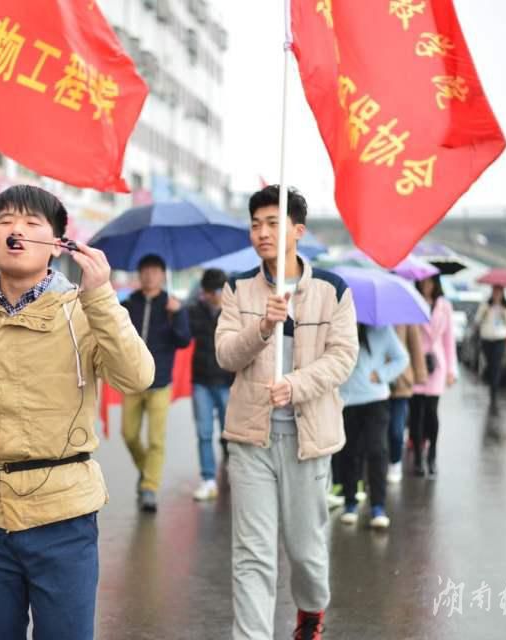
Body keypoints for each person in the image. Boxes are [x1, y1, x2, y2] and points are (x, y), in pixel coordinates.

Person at [0, 185, 154, 640]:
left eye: (31, 223)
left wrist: (102, 297)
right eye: (5, 221)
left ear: (57, 244)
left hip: (63, 518)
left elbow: (137, 377)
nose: (16, 230)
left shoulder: (84, 312)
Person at [216, 185, 358, 640]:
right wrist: (262, 326)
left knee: (305, 550)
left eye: (273, 224)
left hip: (308, 441)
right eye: (256, 224)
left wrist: (295, 385)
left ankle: (311, 610)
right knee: (252, 554)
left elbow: (342, 358)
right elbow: (225, 355)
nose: (262, 232)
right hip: (250, 440)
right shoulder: (237, 288)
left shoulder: (332, 290)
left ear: (298, 231)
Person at [120, 253, 191, 512]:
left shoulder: (172, 305)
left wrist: (177, 314)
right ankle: (146, 469)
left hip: (160, 382)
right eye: (146, 271)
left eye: (155, 271)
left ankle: (150, 487)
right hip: (132, 381)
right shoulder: (129, 304)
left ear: (162, 275)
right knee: (129, 434)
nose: (150, 275)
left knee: (156, 440)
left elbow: (183, 340)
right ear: (140, 275)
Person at [338, 324, 408, 529]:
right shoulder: (341, 326)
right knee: (349, 451)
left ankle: (378, 506)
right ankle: (350, 502)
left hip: (376, 400)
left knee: (377, 450)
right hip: (346, 400)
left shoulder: (382, 329)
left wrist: (382, 374)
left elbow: (402, 358)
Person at [187, 268, 234, 501]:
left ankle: (233, 466)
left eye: (217, 291)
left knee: (231, 432)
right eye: (208, 292)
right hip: (201, 381)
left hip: (227, 381)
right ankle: (208, 479)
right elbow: (182, 337)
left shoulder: (235, 313)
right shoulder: (194, 311)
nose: (213, 296)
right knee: (204, 432)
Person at [409, 275, 458, 477]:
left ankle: (432, 455)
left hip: (436, 364)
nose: (426, 285)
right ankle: (418, 457)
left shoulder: (444, 306)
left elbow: (449, 339)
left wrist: (451, 370)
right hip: (416, 362)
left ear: (436, 283)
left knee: (431, 413)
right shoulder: (412, 300)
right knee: (416, 414)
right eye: (423, 281)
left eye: (430, 282)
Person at [386, 324, 428, 483]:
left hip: (400, 383)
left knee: (396, 430)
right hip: (374, 382)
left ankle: (395, 462)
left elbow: (415, 346)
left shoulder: (404, 316)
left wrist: (420, 374)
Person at [476, 285, 506, 414]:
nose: (497, 295)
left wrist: (504, 313)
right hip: (487, 338)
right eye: (495, 292)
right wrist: (485, 311)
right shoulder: (486, 305)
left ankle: (494, 394)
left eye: (499, 292)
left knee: (496, 365)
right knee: (490, 365)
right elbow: (477, 320)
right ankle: (491, 382)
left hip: (500, 338)